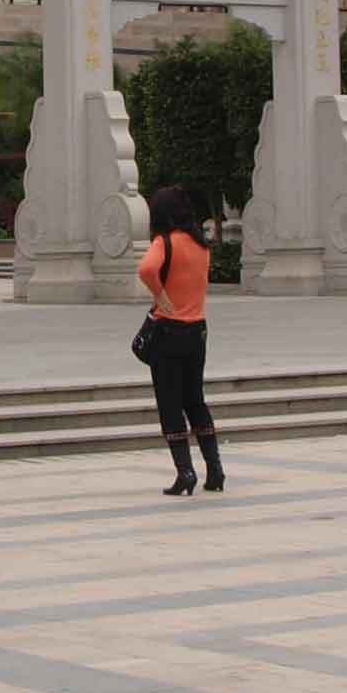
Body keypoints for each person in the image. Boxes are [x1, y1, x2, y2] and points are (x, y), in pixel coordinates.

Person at [135, 183, 223, 497]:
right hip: (197, 330)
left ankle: (185, 472)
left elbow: (146, 269)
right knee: (195, 399)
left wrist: (160, 296)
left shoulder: (165, 242)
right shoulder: (201, 245)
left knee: (170, 404)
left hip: (169, 330)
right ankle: (215, 469)